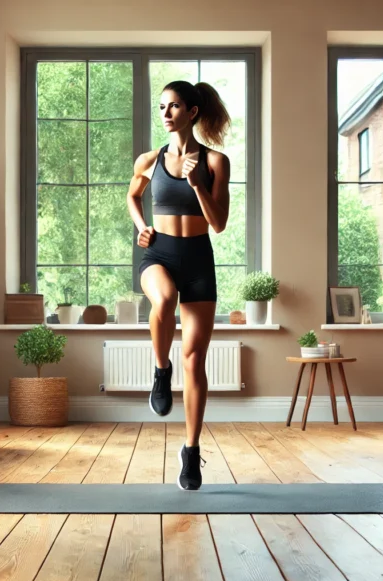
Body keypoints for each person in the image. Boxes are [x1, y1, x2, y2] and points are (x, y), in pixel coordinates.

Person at [125, 80, 231, 490]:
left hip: (199, 259)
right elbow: (133, 197)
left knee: (195, 361)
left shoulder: (216, 162)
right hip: (160, 255)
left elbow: (218, 224)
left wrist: (197, 185)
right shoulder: (149, 161)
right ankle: (159, 370)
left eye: (174, 106)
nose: (166, 113)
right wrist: (141, 228)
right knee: (164, 298)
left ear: (192, 112)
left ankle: (190, 451)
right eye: (162, 106)